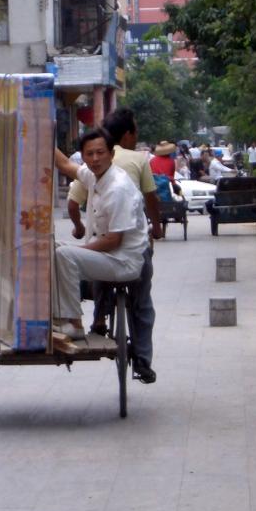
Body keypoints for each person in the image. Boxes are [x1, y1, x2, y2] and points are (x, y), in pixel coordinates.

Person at [67, 108, 161, 384]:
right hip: (134, 247)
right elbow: (151, 198)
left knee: (98, 270)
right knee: (142, 303)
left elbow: (73, 201)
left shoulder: (93, 165)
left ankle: (98, 319)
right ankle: (143, 361)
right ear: (128, 135)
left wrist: (78, 228)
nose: (96, 157)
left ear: (108, 150)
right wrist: (157, 227)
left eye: (99, 153)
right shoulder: (138, 160)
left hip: (109, 243)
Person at [54, 127, 149, 345]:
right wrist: (40, 133)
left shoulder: (118, 188)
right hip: (108, 254)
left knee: (64, 254)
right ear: (83, 156)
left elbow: (113, 241)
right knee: (51, 247)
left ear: (111, 154)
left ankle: (74, 323)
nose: (95, 158)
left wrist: (76, 251)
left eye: (100, 152)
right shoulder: (96, 176)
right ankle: (56, 315)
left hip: (123, 261)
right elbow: (65, 164)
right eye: (90, 154)